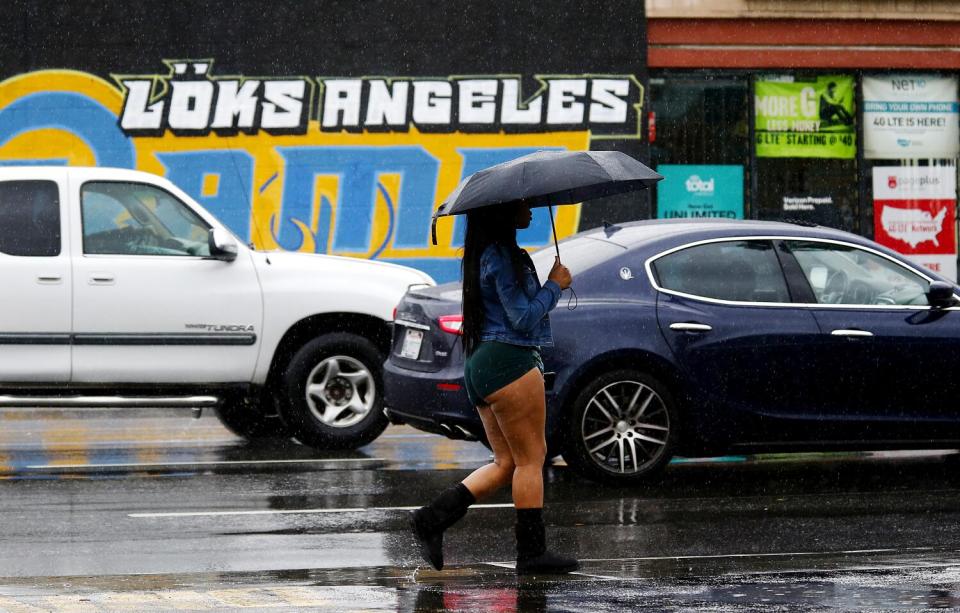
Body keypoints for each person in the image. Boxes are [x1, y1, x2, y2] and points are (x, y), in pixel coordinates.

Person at [410, 201, 578, 575]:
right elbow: (522, 317)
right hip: (510, 362)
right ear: (503, 212)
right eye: (523, 204)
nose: (531, 210)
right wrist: (555, 285)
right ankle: (532, 554)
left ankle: (432, 519)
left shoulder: (486, 254)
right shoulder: (504, 257)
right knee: (532, 460)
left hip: (483, 363)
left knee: (507, 464)